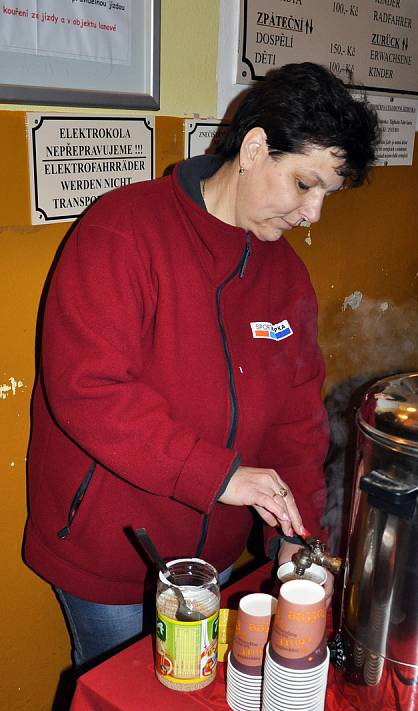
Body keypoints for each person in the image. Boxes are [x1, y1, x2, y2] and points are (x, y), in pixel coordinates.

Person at [23, 62, 379, 668]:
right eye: (303, 184)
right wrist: (220, 476)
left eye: (326, 194)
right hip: (112, 551)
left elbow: (296, 420)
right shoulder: (124, 230)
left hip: (212, 556)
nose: (313, 214)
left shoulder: (285, 273)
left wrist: (295, 535)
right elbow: (89, 390)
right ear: (256, 147)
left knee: (190, 709)